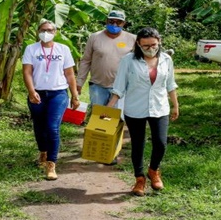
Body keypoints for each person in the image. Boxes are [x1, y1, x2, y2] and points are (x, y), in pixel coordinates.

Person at [107, 27, 179, 196]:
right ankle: (139, 179)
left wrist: (175, 105)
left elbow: (170, 84)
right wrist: (109, 107)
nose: (150, 48)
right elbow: (119, 87)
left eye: (153, 44)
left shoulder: (166, 60)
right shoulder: (128, 60)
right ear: (138, 44)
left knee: (160, 143)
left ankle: (154, 170)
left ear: (159, 42)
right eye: (145, 46)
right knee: (138, 144)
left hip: (160, 107)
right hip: (135, 108)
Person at [22, 20, 80, 180]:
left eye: (49, 30)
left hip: (58, 93)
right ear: (38, 31)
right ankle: (43, 152)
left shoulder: (63, 49)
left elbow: (69, 74)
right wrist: (31, 91)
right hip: (37, 93)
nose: (46, 32)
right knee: (39, 126)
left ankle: (51, 164)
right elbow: (27, 71)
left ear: (55, 32)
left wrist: (74, 95)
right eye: (42, 30)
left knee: (52, 127)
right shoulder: (31, 49)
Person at [77, 9, 136, 112]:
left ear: (124, 23)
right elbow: (86, 61)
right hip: (98, 85)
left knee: (116, 118)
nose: (114, 24)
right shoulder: (95, 37)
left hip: (122, 87)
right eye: (111, 21)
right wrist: (79, 82)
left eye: (118, 22)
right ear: (106, 21)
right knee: (98, 115)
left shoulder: (132, 39)